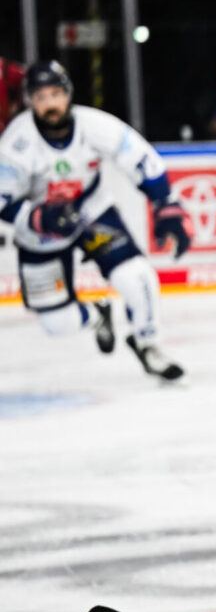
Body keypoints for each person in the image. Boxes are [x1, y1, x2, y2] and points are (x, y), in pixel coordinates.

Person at [0, 60, 189, 380]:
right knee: (56, 324)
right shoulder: (17, 143)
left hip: (91, 213)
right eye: (41, 97)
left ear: (68, 94)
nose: (50, 104)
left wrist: (165, 204)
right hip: (41, 230)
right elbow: (2, 200)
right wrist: (38, 217)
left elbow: (141, 158)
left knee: (138, 275)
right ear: (30, 101)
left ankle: (148, 344)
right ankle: (96, 315)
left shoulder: (94, 125)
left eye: (56, 94)